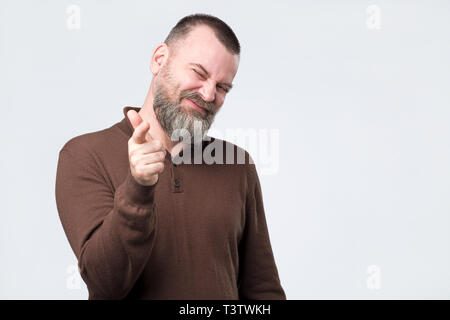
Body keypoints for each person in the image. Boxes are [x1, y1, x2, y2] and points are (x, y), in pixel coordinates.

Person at [55, 13, 286, 300]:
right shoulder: (84, 155)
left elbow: (262, 289)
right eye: (199, 74)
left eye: (223, 87)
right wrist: (138, 187)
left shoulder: (236, 163)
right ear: (159, 59)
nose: (209, 93)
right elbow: (106, 283)